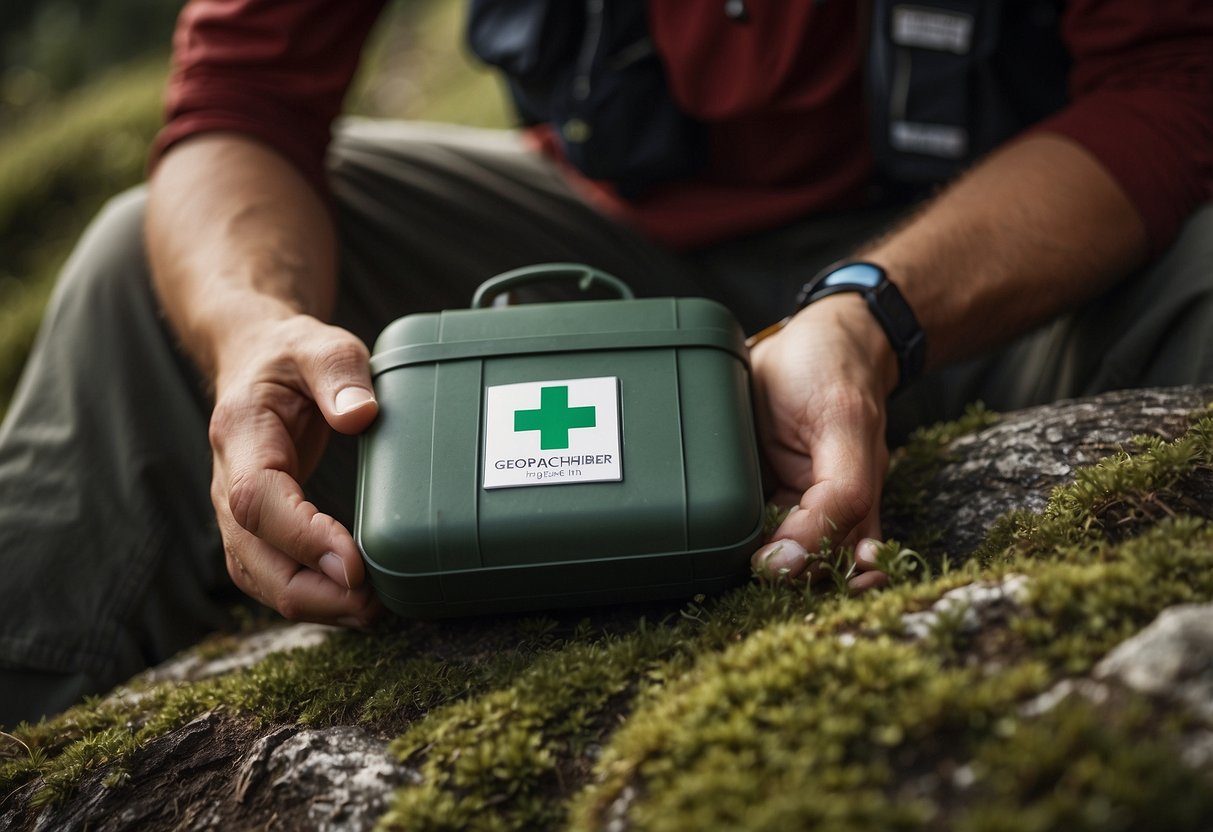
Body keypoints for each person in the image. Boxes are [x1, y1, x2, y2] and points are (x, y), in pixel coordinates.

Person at [0, 0, 1210, 728]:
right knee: (132, 273)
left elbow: (1170, 81)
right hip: (619, 265)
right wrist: (253, 324)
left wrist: (866, 312)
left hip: (1017, 264)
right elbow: (239, 102)